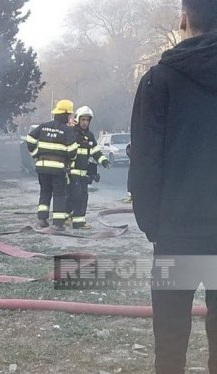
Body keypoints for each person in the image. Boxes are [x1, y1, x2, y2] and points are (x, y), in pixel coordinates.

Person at [129, 1, 217, 372]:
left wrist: (155, 226)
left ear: (184, 19)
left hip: (176, 238)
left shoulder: (157, 81)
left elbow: (146, 164)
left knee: (169, 343)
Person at [27, 99, 78, 231]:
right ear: (66, 115)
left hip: (42, 166)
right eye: (69, 115)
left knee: (45, 192)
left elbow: (30, 138)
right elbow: (72, 151)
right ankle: (58, 223)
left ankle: (42, 219)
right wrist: (69, 158)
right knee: (59, 194)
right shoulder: (67, 130)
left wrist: (36, 154)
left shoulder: (43, 126)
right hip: (58, 169)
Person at [67, 106, 109, 229]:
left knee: (82, 197)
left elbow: (95, 151)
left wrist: (104, 161)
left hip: (83, 174)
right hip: (72, 172)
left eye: (87, 120)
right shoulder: (72, 133)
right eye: (83, 119)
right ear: (78, 119)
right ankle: (78, 223)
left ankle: (70, 218)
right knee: (77, 197)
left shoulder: (90, 136)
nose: (85, 122)